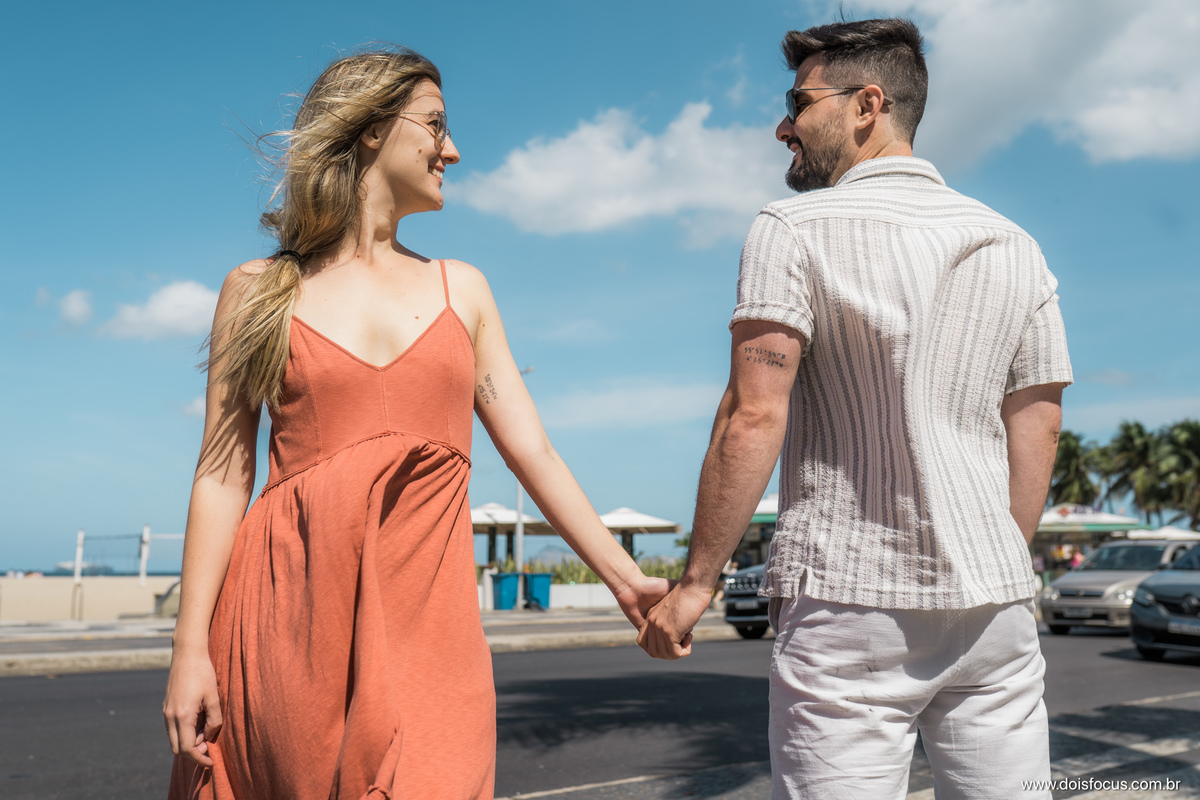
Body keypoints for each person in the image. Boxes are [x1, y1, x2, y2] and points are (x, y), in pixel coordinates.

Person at [162, 48, 670, 800]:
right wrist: (189, 649)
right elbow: (222, 474)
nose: (453, 150)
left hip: (431, 625)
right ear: (371, 130)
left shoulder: (462, 290)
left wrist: (624, 580)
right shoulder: (257, 292)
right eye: (436, 125)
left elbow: (532, 450)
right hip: (287, 616)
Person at [638, 18, 1071, 800]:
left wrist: (697, 582)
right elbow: (1038, 419)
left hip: (850, 593)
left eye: (800, 103)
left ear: (867, 104)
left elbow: (753, 413)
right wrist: (997, 552)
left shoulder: (793, 227)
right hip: (996, 606)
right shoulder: (1016, 244)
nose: (784, 126)